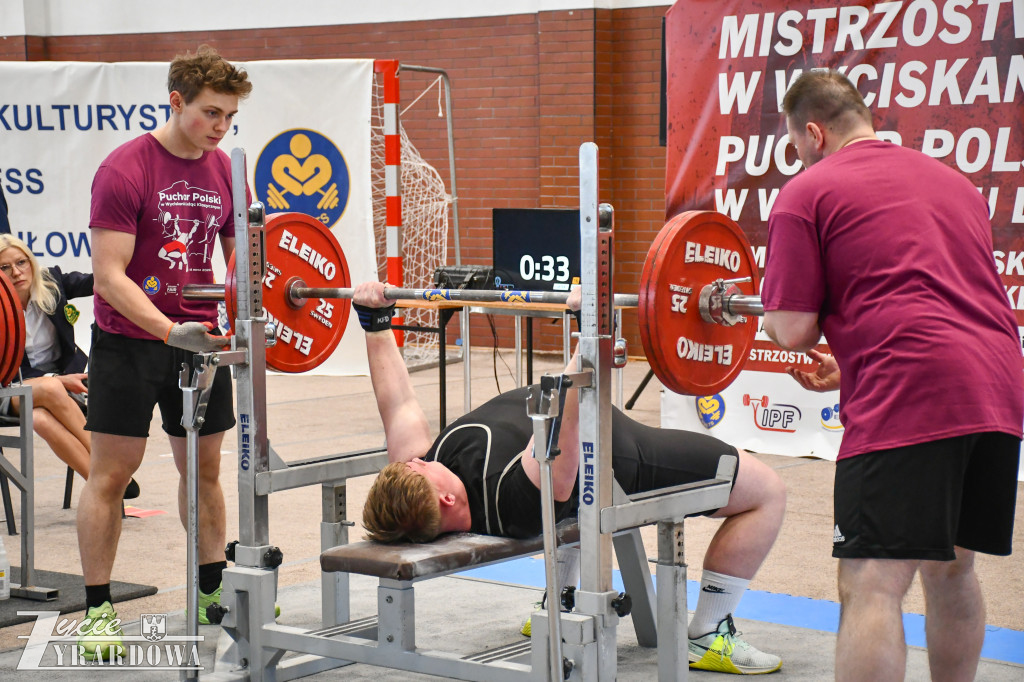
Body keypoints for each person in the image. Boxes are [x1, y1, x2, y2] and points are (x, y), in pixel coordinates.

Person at [355, 281, 787, 675]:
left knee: (571, 497)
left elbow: (397, 406)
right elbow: (565, 414)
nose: (417, 461)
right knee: (767, 491)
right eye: (417, 467)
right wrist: (588, 332)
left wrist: (373, 323)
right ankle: (709, 631)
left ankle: (556, 603)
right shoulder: (515, 498)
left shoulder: (425, 480)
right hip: (622, 455)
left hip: (583, 446)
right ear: (447, 501)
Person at [761, 70, 1022, 682]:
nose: (800, 154)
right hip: (994, 385)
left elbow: (792, 327)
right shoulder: (955, 185)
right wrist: (854, 362)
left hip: (912, 389)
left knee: (872, 580)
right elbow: (933, 296)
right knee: (954, 567)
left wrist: (779, 317)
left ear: (815, 133)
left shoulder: (808, 191)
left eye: (798, 144)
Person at [75, 45, 252, 660]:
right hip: (128, 342)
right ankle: (97, 610)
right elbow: (109, 277)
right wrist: (167, 330)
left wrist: (245, 316)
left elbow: (241, 258)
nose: (221, 127)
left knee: (203, 470)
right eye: (211, 113)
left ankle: (210, 591)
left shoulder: (224, 167)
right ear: (175, 102)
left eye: (230, 116)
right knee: (111, 475)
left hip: (199, 340)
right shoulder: (125, 169)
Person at [0, 235, 140, 497]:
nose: (16, 272)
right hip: (8, 387)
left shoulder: (51, 283)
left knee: (40, 419)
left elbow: (99, 281)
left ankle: (104, 489)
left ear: (31, 261)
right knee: (52, 389)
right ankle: (106, 466)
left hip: (54, 389)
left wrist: (135, 259)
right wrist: (57, 381)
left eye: (21, 262)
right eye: (4, 267)